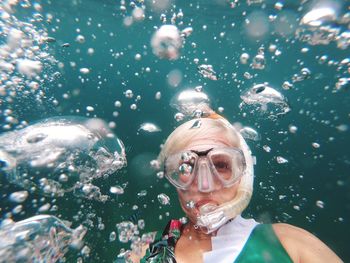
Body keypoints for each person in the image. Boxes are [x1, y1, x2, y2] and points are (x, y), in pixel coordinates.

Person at [130, 113, 342, 263]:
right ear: (173, 178)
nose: (205, 185)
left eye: (221, 165)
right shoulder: (145, 251)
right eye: (187, 166)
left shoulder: (291, 244)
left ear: (243, 174)